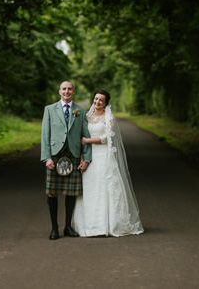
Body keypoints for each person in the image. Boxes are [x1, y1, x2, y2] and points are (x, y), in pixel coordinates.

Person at [72, 89, 144, 237]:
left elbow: (107, 138)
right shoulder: (87, 116)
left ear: (105, 103)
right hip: (89, 156)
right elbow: (80, 135)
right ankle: (89, 224)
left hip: (103, 155)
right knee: (90, 187)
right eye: (96, 99)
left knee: (104, 187)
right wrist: (82, 156)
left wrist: (87, 141)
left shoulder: (109, 118)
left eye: (101, 100)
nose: (97, 102)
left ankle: (107, 224)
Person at [40, 80, 92, 240]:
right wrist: (47, 157)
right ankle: (54, 228)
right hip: (55, 156)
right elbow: (45, 135)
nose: (67, 91)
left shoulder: (80, 111)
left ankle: (68, 227)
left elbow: (85, 136)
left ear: (73, 92)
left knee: (71, 193)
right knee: (52, 194)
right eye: (64, 89)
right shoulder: (49, 109)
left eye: (70, 89)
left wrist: (86, 158)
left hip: (73, 155)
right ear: (59, 91)